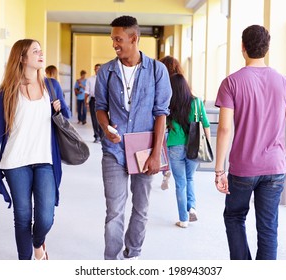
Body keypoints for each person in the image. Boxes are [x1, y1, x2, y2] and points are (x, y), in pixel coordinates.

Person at [214, 25, 286, 260]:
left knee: (234, 217)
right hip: (275, 168)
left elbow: (224, 129)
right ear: (267, 49)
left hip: (243, 168)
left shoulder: (231, 83)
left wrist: (219, 170)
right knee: (268, 227)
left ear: (242, 47)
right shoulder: (285, 83)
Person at [0, 39, 71, 260]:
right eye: (35, 51)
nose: (41, 54)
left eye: (41, 50)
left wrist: (59, 110)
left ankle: (38, 243)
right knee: (22, 216)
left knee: (45, 217)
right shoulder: (7, 92)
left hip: (45, 160)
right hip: (15, 162)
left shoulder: (51, 86)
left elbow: (66, 121)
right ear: (22, 58)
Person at [95, 15, 172, 260]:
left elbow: (161, 114)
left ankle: (134, 252)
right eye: (112, 40)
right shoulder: (106, 71)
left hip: (144, 150)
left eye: (118, 39)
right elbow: (100, 107)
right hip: (114, 151)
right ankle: (112, 260)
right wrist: (106, 128)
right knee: (114, 210)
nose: (114, 44)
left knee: (141, 208)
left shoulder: (157, 70)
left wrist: (155, 155)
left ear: (134, 38)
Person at [167, 73, 210, 228]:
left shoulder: (169, 104)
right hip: (194, 145)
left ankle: (183, 219)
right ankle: (192, 207)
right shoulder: (197, 102)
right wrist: (208, 146)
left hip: (174, 146)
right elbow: (205, 124)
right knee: (190, 178)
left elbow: (163, 125)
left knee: (180, 183)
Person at [158, 55, 185, 190]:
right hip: (178, 125)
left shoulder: (161, 82)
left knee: (162, 148)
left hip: (163, 122)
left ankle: (165, 172)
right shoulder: (181, 83)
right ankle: (168, 172)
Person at [86, 63, 103, 143]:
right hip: (93, 100)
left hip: (103, 100)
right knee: (94, 119)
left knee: (102, 118)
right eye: (96, 69)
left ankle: (102, 136)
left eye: (99, 69)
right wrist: (86, 102)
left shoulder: (105, 78)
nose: (97, 70)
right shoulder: (90, 79)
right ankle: (97, 136)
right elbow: (87, 92)